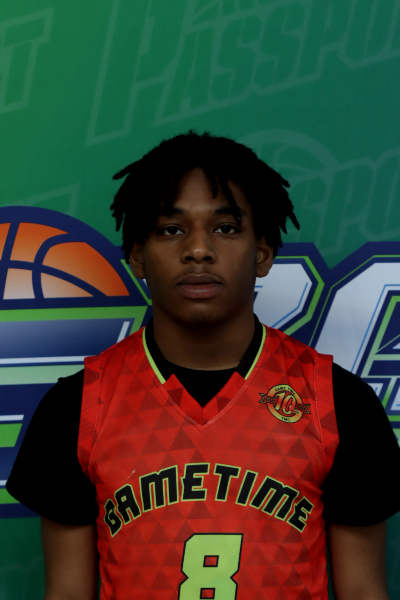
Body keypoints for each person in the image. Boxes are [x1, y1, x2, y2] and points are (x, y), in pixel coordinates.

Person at [7, 131, 400, 600]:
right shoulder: (77, 407)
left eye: (226, 228)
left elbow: (363, 591)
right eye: (171, 229)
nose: (198, 249)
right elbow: (68, 594)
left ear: (263, 253)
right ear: (137, 255)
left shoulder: (337, 403)